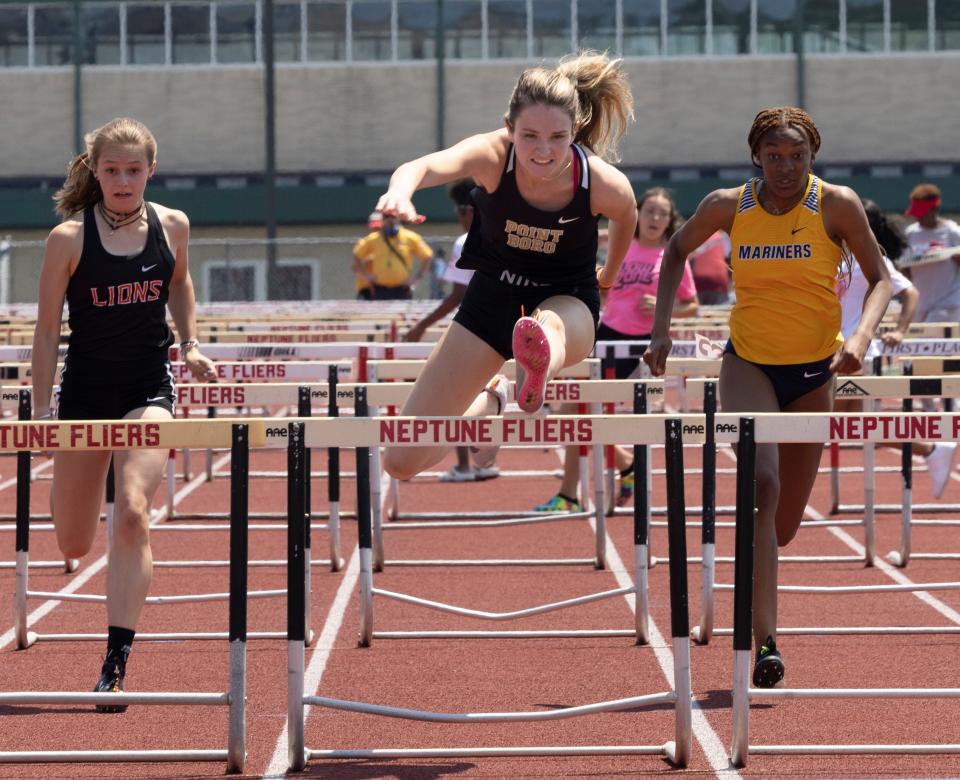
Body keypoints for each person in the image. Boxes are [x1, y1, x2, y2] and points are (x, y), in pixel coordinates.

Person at [643, 107, 892, 689]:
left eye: (797, 156)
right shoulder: (728, 206)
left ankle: (763, 578)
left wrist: (859, 338)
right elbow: (676, 250)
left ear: (812, 156)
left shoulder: (836, 204)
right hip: (748, 363)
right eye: (774, 156)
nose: (786, 167)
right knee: (763, 487)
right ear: (756, 155)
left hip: (814, 374)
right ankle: (766, 643)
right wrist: (661, 328)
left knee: (780, 527)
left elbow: (880, 277)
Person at [376, 51, 638, 483]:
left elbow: (626, 215)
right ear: (508, 128)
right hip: (491, 302)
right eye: (530, 135)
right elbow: (421, 166)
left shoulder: (600, 182)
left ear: (575, 132)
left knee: (547, 327)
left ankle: (532, 363)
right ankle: (495, 399)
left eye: (558, 137)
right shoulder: (493, 157)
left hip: (566, 301)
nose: (543, 150)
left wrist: (607, 276)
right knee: (401, 461)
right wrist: (400, 193)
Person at [31, 117, 216, 711]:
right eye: (111, 169)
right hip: (84, 394)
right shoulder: (67, 239)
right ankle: (71, 504)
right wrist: (39, 413)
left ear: (150, 171)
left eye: (134, 170)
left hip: (146, 390)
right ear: (95, 171)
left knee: (132, 513)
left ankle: (115, 662)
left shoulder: (173, 226)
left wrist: (189, 342)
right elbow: (43, 332)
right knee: (73, 541)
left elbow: (180, 283)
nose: (123, 180)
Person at [535, 188, 699, 512]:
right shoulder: (625, 246)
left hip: (637, 345)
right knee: (579, 412)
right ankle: (625, 465)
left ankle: (570, 495)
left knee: (579, 412)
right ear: (639, 214)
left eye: (661, 213)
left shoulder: (672, 255)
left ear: (669, 220)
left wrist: (666, 308)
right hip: (606, 334)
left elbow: (692, 305)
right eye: (649, 211)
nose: (654, 218)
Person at [836, 199, 956, 498]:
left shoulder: (873, 259)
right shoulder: (835, 255)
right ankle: (932, 450)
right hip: (836, 352)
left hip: (852, 354)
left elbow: (910, 293)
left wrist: (901, 330)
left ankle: (933, 449)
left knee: (819, 423)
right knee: (855, 425)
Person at [404, 179, 499, 482]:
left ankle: (466, 465)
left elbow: (456, 296)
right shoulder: (505, 234)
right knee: (476, 390)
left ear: (468, 210)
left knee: (455, 394)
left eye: (460, 210)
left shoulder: (465, 242)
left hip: (474, 331)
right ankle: (481, 457)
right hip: (506, 329)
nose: (459, 216)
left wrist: (421, 325)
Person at [902, 183, 960, 324]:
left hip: (947, 302)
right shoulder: (911, 233)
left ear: (935, 208)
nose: (919, 218)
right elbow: (904, 267)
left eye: (922, 213)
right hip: (920, 303)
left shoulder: (952, 232)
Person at [352, 210, 434, 300]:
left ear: (398, 219)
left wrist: (417, 277)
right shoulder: (374, 238)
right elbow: (357, 255)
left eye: (393, 217)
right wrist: (366, 275)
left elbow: (427, 256)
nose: (390, 220)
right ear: (382, 220)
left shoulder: (410, 237)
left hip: (402, 288)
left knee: (401, 314)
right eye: (386, 217)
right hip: (380, 289)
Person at [689, 229, 732, 306]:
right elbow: (729, 261)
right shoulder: (722, 237)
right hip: (718, 283)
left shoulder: (694, 235)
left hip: (696, 283)